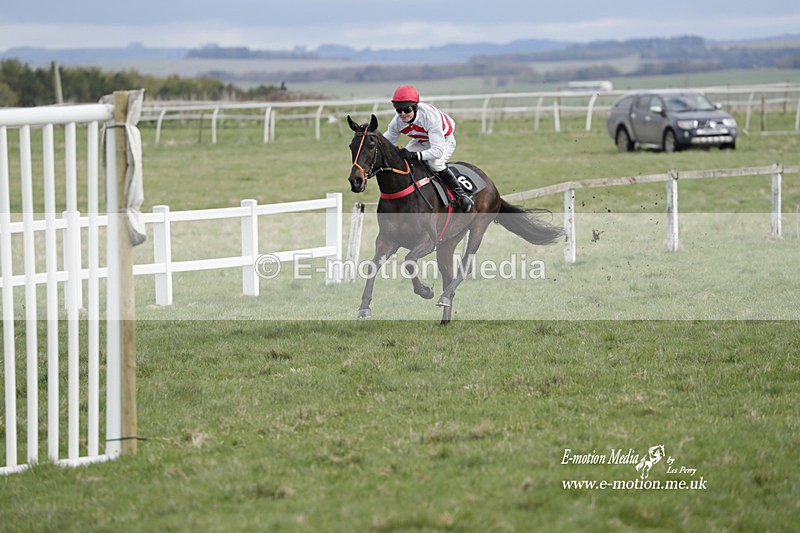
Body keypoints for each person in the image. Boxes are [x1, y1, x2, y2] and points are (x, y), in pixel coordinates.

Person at [383, 85, 474, 211]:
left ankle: (462, 196)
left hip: (444, 141)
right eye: (398, 110)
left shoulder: (429, 117)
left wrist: (415, 155)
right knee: (405, 161)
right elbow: (385, 143)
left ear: (415, 107)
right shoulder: (397, 122)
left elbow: (437, 151)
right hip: (421, 141)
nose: (403, 114)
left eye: (407, 109)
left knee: (435, 163)